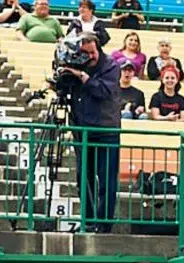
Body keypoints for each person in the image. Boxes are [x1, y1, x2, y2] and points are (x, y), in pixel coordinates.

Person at [62, 33, 120, 233]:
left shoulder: (111, 66)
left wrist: (82, 76)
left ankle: (103, 225)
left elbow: (103, 92)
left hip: (106, 130)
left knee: (106, 180)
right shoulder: (78, 64)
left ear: (98, 48)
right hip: (82, 130)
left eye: (92, 52)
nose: (89, 57)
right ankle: (88, 221)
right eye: (84, 53)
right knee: (83, 178)